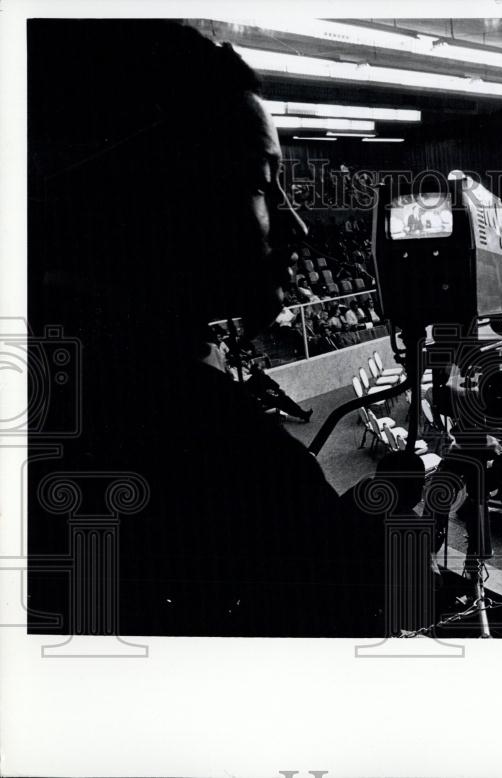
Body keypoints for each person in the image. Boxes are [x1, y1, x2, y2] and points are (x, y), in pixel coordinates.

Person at [27, 20, 395, 637]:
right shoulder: (187, 427)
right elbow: (345, 598)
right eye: (259, 182)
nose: (296, 226)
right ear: (155, 194)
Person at [246, 363, 314, 422]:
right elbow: (275, 385)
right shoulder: (263, 377)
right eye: (261, 369)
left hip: (268, 399)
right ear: (258, 371)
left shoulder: (251, 381)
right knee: (286, 402)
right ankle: (303, 414)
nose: (262, 370)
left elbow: (274, 386)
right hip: (268, 399)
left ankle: (303, 414)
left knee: (287, 402)